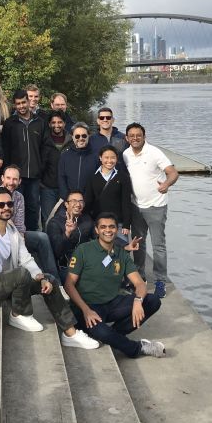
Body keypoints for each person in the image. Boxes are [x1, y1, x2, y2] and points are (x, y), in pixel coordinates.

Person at [0, 186, 99, 349]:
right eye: (1, 205)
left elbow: (27, 259)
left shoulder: (13, 231)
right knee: (21, 273)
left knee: (49, 279)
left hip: (6, 285)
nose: (6, 208)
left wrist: (41, 278)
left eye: (9, 204)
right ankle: (19, 313)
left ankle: (70, 333)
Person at [64, 213, 165, 358]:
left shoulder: (121, 253)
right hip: (87, 306)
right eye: (103, 227)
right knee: (102, 332)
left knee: (153, 301)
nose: (108, 230)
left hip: (112, 303)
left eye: (111, 227)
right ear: (97, 230)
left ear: (116, 230)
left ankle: (115, 335)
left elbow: (139, 283)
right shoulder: (83, 250)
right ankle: (137, 348)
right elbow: (69, 285)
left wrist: (138, 300)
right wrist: (86, 310)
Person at [123, 123, 179, 298]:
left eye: (138, 135)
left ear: (144, 136)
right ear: (126, 138)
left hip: (156, 205)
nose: (135, 138)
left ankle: (160, 281)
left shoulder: (154, 152)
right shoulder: (125, 155)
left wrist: (166, 184)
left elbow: (173, 173)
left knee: (158, 246)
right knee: (138, 244)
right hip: (136, 206)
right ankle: (140, 278)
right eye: (131, 135)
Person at [0, 166, 59, 280]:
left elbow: (19, 224)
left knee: (42, 238)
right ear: (2, 178)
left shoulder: (19, 197)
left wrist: (21, 239)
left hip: (15, 234)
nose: (11, 182)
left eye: (15, 179)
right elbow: (1, 219)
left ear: (19, 181)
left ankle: (55, 281)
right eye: (8, 178)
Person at [2, 89, 52, 231]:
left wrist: (41, 166)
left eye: (24, 102)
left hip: (34, 175)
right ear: (15, 105)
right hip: (16, 177)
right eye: (18, 104)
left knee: (33, 207)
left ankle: (31, 236)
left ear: (29, 102)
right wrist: (8, 171)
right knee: (15, 206)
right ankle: (14, 235)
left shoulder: (40, 122)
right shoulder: (9, 123)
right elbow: (5, 148)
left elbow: (46, 146)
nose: (21, 106)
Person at [46, 190, 95, 279]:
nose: (78, 204)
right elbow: (56, 252)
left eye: (81, 201)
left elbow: (99, 238)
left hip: (87, 263)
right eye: (74, 201)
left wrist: (125, 246)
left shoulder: (87, 219)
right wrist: (67, 233)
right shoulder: (55, 222)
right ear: (66, 204)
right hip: (66, 267)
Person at [84, 145, 134, 231]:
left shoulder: (123, 177)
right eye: (106, 157)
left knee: (121, 244)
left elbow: (126, 202)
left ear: (117, 158)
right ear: (100, 158)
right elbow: (88, 200)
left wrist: (126, 224)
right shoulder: (93, 177)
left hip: (118, 223)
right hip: (98, 222)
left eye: (113, 158)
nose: (109, 161)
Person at [57, 122, 97, 202]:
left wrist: (89, 199)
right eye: (77, 136)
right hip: (70, 201)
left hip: (90, 201)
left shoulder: (96, 156)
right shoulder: (65, 156)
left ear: (88, 136)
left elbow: (97, 181)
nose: (81, 138)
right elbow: (61, 178)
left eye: (84, 136)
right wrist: (68, 198)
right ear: (72, 137)